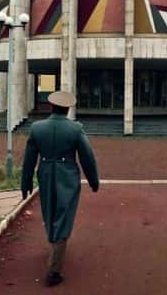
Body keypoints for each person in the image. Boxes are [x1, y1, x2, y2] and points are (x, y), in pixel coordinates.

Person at [21, 91, 100, 287]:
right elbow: (87, 157)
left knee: (49, 210)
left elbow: (29, 159)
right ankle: (53, 270)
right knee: (64, 215)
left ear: (51, 107)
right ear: (67, 109)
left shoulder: (37, 128)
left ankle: (54, 243)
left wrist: (25, 183)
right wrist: (93, 181)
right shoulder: (75, 129)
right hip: (67, 175)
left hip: (46, 173)